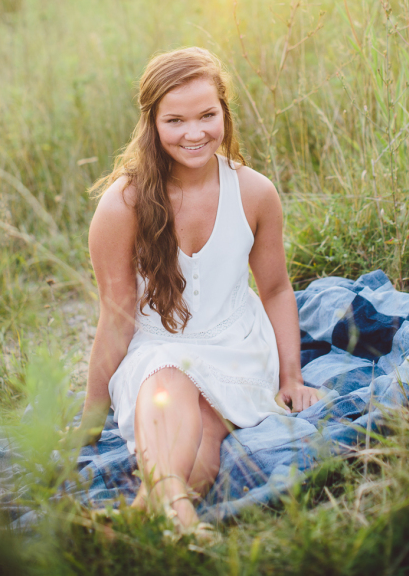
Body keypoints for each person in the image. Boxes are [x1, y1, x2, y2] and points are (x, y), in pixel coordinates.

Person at [79, 47, 319, 534]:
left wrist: (291, 378)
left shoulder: (254, 192)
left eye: (208, 115)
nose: (195, 133)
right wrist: (90, 417)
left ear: (225, 113)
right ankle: (183, 526)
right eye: (176, 120)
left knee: (207, 431)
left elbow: (274, 289)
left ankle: (144, 519)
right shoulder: (121, 205)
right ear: (152, 123)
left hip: (236, 344)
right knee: (169, 386)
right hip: (157, 347)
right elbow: (117, 315)